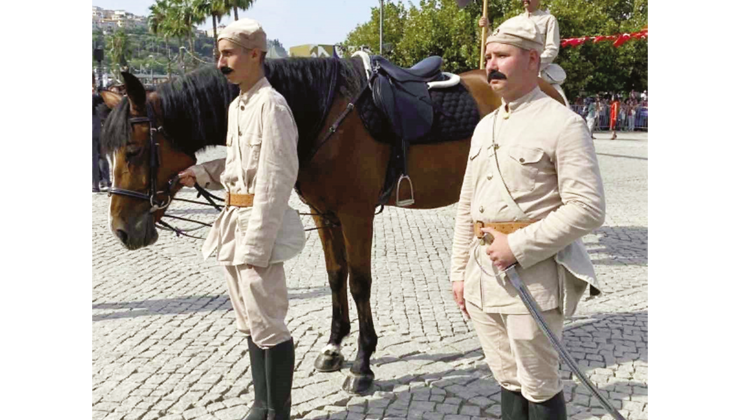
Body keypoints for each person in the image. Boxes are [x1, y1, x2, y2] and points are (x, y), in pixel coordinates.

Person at [450, 15, 605, 420]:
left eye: (502, 55)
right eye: (488, 56)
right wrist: (458, 273)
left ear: (533, 60)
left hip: (533, 279)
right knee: (507, 379)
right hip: (482, 277)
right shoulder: (484, 128)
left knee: (538, 382)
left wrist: (517, 246)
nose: (491, 65)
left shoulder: (564, 124)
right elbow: (468, 206)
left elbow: (587, 207)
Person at [178, 18, 302, 420]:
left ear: (254, 54)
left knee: (269, 322)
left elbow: (277, 176)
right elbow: (238, 164)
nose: (220, 62)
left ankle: (278, 412)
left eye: (228, 53)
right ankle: (261, 405)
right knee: (249, 321)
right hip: (234, 220)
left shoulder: (272, 105)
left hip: (256, 226)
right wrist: (201, 174)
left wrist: (258, 243)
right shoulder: (238, 105)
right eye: (219, 53)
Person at [479, 0, 566, 104]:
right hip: (515, 71)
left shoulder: (549, 19)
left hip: (540, 72)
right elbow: (499, 43)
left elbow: (552, 49)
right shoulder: (515, 21)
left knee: (562, 101)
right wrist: (487, 29)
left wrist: (531, 65)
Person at [92, 72, 110, 193]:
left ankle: (95, 184)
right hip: (100, 126)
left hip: (94, 126)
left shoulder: (94, 95)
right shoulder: (97, 95)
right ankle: (105, 181)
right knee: (102, 156)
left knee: (93, 157)